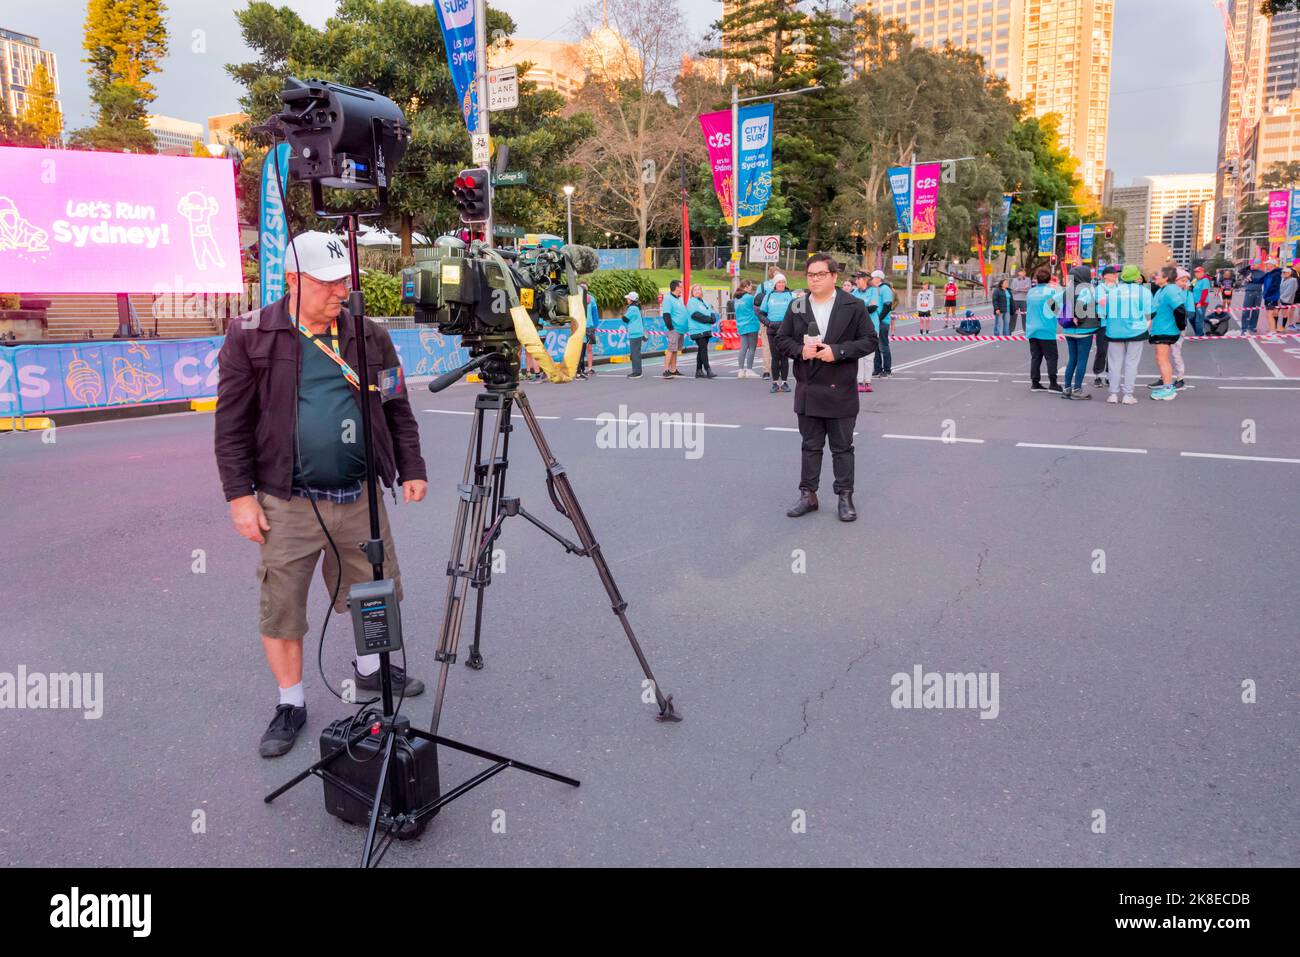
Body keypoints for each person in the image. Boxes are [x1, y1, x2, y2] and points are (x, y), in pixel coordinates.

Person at [214, 231, 429, 758]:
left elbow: (396, 405)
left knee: (374, 592)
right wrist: (239, 497)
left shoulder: (368, 334)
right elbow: (231, 426)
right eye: (328, 284)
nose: (340, 293)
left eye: (344, 282)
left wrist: (411, 467)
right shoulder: (251, 335)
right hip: (286, 502)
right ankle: (291, 702)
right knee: (282, 606)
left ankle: (372, 668)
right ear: (292, 280)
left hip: (359, 498)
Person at [774, 253, 878, 522]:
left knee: (843, 447)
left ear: (834, 277)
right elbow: (782, 340)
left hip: (840, 388)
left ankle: (845, 496)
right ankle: (808, 494)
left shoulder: (853, 305)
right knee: (810, 445)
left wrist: (838, 351)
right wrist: (802, 351)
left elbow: (869, 341)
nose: (815, 279)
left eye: (821, 274)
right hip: (808, 388)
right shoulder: (797, 305)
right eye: (811, 275)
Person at [1099, 264, 1152, 404]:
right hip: (1136, 331)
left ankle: (1113, 394)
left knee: (1114, 364)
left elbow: (1103, 313)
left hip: (1114, 331)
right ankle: (1128, 395)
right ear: (1137, 277)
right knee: (1131, 364)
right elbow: (1150, 313)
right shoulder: (1144, 292)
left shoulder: (1112, 292)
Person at [1061, 265, 1099, 399]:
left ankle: (1066, 388)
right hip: (1084, 329)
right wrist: (1080, 318)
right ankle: (1077, 389)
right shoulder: (1087, 289)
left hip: (1068, 329)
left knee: (1072, 359)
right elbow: (1082, 306)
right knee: (1082, 359)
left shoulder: (1067, 290)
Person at [1147, 264, 1185, 400]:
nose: (1155, 276)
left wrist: (1181, 327)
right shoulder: (1161, 290)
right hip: (1160, 329)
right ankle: (1167, 386)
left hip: (1166, 330)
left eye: (1158, 274)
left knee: (1162, 359)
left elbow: (1180, 309)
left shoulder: (1170, 290)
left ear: (1166, 277)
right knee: (1161, 358)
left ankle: (1168, 389)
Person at [1024, 265, 1064, 393]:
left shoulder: (1031, 292)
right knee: (1051, 357)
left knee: (1036, 357)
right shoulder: (1050, 292)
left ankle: (1035, 383)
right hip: (1046, 329)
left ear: (1036, 278)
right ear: (1049, 279)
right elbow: (1056, 310)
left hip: (1032, 329)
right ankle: (1053, 383)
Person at [758, 273, 796, 394]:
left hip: (786, 330)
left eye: (783, 282)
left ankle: (784, 382)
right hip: (772, 329)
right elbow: (761, 313)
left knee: (784, 357)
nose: (781, 284)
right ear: (775, 284)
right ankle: (775, 383)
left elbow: (797, 312)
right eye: (779, 282)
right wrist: (768, 323)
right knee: (775, 357)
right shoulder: (769, 296)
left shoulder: (790, 295)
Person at [849, 271, 875, 393]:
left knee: (869, 356)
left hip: (871, 326)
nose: (856, 281)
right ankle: (859, 381)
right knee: (858, 356)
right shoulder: (854, 292)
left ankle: (868, 381)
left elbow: (873, 307)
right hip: (857, 327)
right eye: (856, 279)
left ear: (865, 279)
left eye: (858, 279)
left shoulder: (873, 291)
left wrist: (858, 309)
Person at [686, 283, 719, 378]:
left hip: (706, 330)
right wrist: (709, 319)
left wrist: (713, 318)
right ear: (692, 292)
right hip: (697, 330)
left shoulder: (704, 302)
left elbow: (712, 312)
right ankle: (708, 370)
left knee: (701, 350)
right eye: (695, 290)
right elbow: (695, 315)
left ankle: (698, 370)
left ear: (701, 291)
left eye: (699, 289)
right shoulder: (691, 302)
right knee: (703, 349)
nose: (697, 291)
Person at [733, 279, 761, 378]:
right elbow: (757, 309)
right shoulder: (749, 297)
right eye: (751, 286)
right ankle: (749, 370)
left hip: (741, 325)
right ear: (747, 286)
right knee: (752, 348)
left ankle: (740, 370)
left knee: (743, 348)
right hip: (751, 324)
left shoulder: (736, 299)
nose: (751, 288)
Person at [870, 270, 895, 377]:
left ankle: (887, 369)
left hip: (883, 321)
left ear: (878, 278)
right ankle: (877, 368)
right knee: (875, 346)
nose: (871, 279)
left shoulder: (885, 288)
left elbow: (887, 305)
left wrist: (879, 318)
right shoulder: (874, 289)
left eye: (873, 277)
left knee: (883, 346)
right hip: (875, 321)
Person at [660, 279, 688, 378]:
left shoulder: (678, 299)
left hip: (680, 329)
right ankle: (666, 370)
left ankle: (673, 369)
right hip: (674, 329)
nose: (682, 288)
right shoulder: (668, 299)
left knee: (675, 350)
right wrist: (671, 328)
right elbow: (666, 314)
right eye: (681, 286)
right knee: (671, 349)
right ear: (676, 287)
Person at [622, 291, 644, 377]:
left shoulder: (632, 308)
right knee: (636, 353)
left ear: (631, 299)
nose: (627, 299)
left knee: (635, 353)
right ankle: (637, 371)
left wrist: (623, 315)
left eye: (628, 298)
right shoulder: (637, 307)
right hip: (637, 332)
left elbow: (625, 319)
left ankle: (637, 372)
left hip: (635, 333)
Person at [1261, 257, 1282, 334]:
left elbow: (1275, 286)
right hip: (1268, 297)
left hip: (1272, 297)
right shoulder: (1268, 274)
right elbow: (1260, 280)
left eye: (1267, 264)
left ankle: (1272, 330)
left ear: (1272, 265)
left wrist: (1268, 294)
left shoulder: (1276, 274)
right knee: (1269, 314)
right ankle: (1272, 329)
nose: (1266, 265)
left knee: (1270, 314)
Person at [1191, 265, 1212, 337]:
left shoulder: (1205, 280)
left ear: (1202, 272)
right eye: (1195, 272)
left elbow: (1205, 292)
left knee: (1198, 320)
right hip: (1194, 302)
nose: (1196, 273)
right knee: (1191, 318)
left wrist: (1201, 302)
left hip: (1202, 303)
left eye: (1198, 272)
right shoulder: (1196, 280)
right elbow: (1191, 288)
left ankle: (1199, 334)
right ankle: (1197, 332)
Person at [1009, 268, 1031, 335]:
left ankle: (1026, 330)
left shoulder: (1028, 279)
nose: (1024, 273)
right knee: (1013, 316)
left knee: (1024, 315)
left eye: (1024, 272)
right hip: (1015, 300)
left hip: (1024, 300)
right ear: (1019, 273)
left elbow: (1028, 289)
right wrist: (1022, 289)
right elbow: (1013, 290)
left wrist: (1018, 289)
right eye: (1022, 272)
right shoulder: (1014, 280)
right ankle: (1010, 330)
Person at [1279, 266, 1297, 331]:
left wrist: (1281, 297)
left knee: (1284, 313)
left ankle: (1283, 327)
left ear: (1290, 273)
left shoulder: (1293, 280)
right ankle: (1279, 326)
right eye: (1283, 272)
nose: (1284, 273)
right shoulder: (1282, 279)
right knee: (1281, 313)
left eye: (1285, 272)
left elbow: (1290, 291)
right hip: (1281, 298)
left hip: (1286, 299)